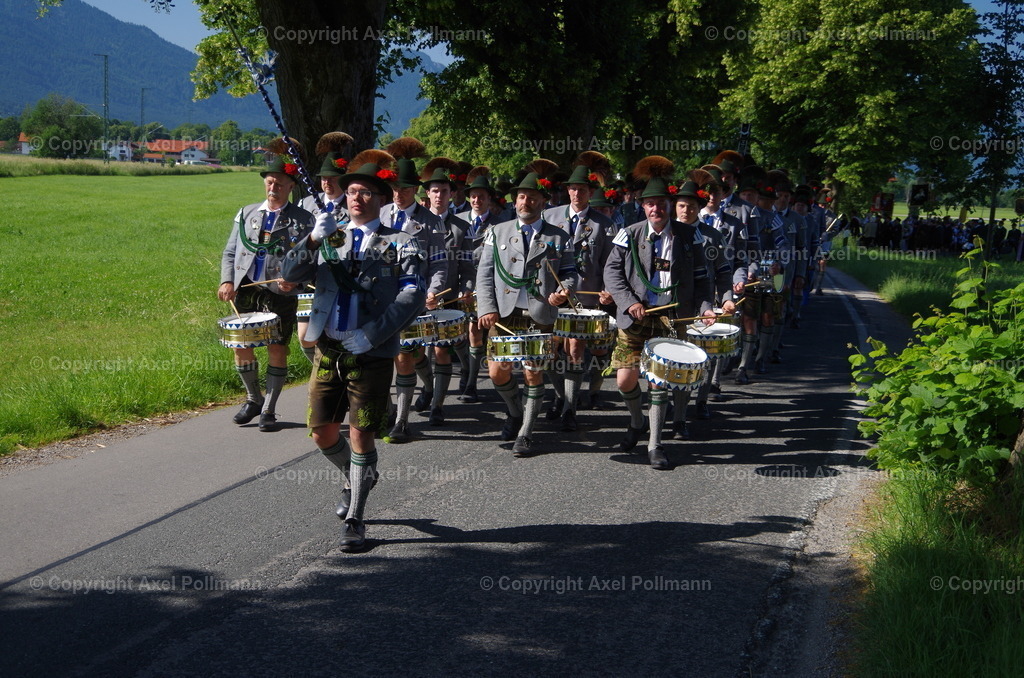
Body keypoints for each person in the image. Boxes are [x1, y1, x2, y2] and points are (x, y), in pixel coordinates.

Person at [281, 160, 427, 553]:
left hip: (371, 352)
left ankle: (355, 517)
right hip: (328, 347)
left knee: (361, 433)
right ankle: (357, 474)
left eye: (366, 193)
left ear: (381, 199)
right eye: (351, 192)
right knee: (321, 431)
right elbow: (289, 274)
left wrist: (374, 334)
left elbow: (411, 295)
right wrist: (312, 240)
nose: (357, 198)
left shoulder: (402, 242)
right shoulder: (333, 235)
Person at [604, 156, 715, 470]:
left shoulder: (689, 236)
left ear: (670, 203)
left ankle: (655, 445)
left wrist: (706, 308)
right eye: (650, 204)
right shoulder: (629, 233)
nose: (657, 209)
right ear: (643, 206)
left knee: (659, 382)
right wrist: (628, 302)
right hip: (635, 317)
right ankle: (637, 422)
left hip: (670, 319)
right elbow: (612, 274)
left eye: (662, 203)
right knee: (625, 379)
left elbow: (702, 278)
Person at [476, 165, 578, 456]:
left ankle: (525, 433)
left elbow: (570, 272)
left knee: (533, 373)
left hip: (539, 313)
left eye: (532, 197)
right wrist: (486, 307)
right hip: (504, 314)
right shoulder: (496, 232)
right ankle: (514, 411)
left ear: (543, 202)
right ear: (514, 200)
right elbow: (484, 274)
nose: (525, 202)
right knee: (497, 372)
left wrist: (564, 291)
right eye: (521, 197)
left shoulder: (559, 236)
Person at [218, 147, 313, 432]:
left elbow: (311, 259)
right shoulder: (247, 213)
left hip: (280, 292)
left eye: (280, 184)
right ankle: (253, 398)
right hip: (246, 288)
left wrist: (295, 280)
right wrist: (227, 281)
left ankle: (269, 409)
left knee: (276, 348)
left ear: (290, 187)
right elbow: (231, 251)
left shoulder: (303, 219)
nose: (274, 187)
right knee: (241, 345)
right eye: (270, 182)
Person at [378, 140, 446, 443]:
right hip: (379, 300)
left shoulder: (431, 223)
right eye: (394, 187)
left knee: (405, 354)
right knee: (382, 357)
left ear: (416, 189)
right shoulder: (378, 215)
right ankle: (390, 409)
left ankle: (402, 421)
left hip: (413, 300)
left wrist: (433, 292)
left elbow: (440, 265)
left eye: (405, 188)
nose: (399, 192)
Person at [542, 152, 617, 422]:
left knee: (577, 349)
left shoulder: (604, 224)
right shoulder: (549, 216)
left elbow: (612, 263)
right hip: (553, 296)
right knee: (550, 348)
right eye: (572, 188)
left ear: (591, 191)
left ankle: (571, 408)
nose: (576, 193)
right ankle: (561, 396)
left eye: (582, 189)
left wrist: (610, 290)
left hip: (588, 297)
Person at [419, 159, 475, 425]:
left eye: (444, 191)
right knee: (417, 350)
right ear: (427, 194)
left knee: (443, 348)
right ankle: (428, 387)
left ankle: (438, 405)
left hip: (450, 297)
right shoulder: (414, 224)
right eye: (434, 190)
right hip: (417, 297)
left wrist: (467, 289)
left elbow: (467, 265)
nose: (439, 196)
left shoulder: (461, 227)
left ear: (452, 194)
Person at [296, 131, 354, 363]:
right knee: (304, 337)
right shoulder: (305, 204)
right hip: (309, 279)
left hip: (339, 277)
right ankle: (320, 370)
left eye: (332, 178)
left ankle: (339, 376)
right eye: (323, 178)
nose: (326, 182)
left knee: (338, 336)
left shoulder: (352, 205)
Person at [457, 166, 504, 403]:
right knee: (458, 335)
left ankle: (472, 383)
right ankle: (467, 371)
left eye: (482, 196)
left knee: (476, 333)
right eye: (473, 196)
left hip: (487, 285)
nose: (476, 200)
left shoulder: (501, 223)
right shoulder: (460, 220)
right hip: (461, 285)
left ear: (489, 199)